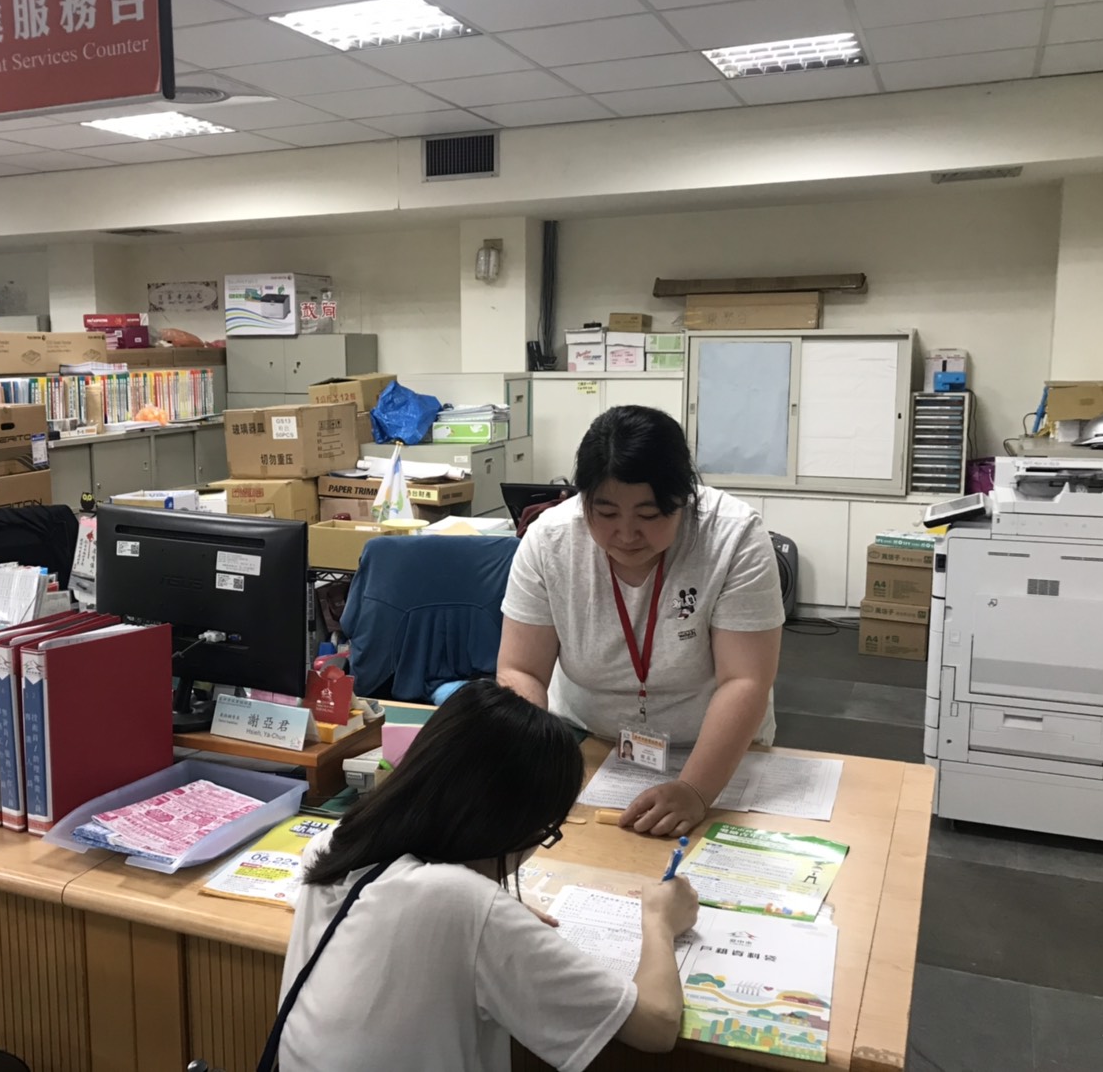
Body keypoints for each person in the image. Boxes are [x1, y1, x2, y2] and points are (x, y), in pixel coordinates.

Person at [270, 681, 699, 1072]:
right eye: (546, 831)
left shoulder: (331, 845)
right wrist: (659, 920)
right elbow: (656, 1025)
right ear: (509, 826)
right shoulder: (462, 903)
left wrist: (490, 915)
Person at [497, 406, 784, 839]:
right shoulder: (550, 540)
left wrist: (695, 789)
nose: (627, 534)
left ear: (683, 499)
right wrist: (529, 762)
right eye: (606, 513)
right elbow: (521, 670)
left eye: (649, 516)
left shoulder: (733, 537)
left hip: (712, 752)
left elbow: (744, 680)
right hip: (588, 742)